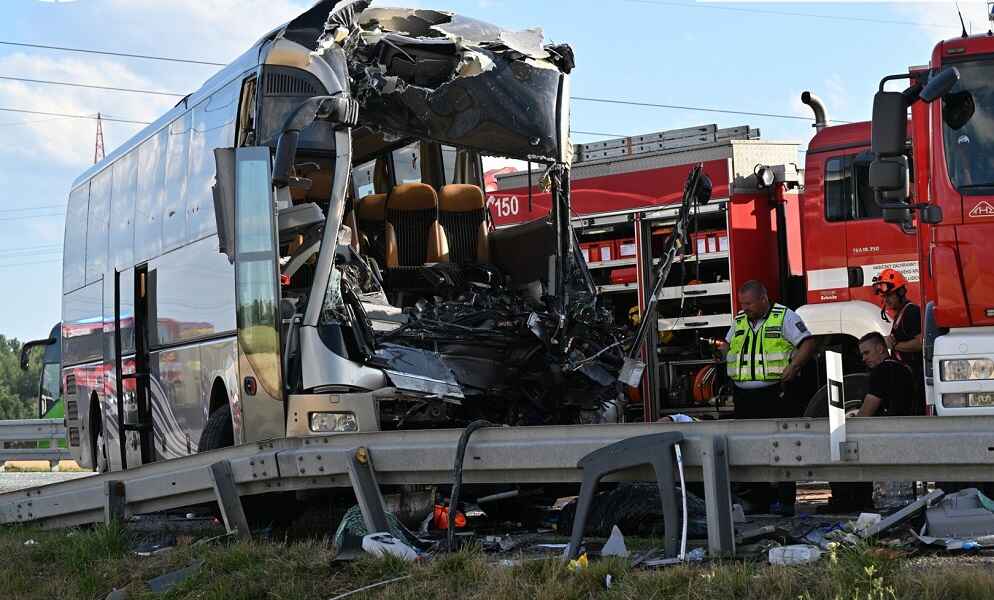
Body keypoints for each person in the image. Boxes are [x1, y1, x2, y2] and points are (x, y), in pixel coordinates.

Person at [722, 280, 817, 515]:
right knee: (750, 448)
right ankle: (756, 500)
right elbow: (726, 345)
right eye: (742, 303)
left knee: (784, 446)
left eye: (749, 303)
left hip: (775, 393)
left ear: (763, 299)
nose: (745, 308)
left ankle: (785, 501)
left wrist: (794, 367)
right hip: (744, 396)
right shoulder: (740, 320)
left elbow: (808, 343)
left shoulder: (784, 316)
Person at [872, 268, 925, 415]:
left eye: (889, 295)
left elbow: (921, 343)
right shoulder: (901, 314)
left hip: (914, 380)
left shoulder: (911, 312)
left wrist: (894, 344)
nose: (885, 300)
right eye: (883, 296)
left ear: (901, 292)